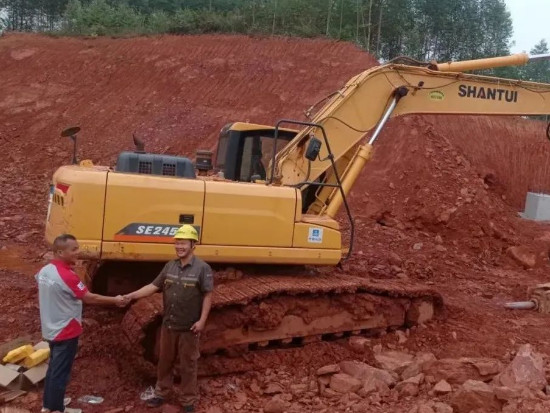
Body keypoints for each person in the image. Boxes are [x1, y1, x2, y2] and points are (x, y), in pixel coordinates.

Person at [124, 224, 213, 412]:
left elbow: (207, 295)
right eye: (177, 243)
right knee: (164, 361)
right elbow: (153, 286)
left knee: (188, 365)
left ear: (193, 245)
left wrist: (202, 320)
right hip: (169, 325)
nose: (179, 247)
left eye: (183, 243)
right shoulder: (170, 266)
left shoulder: (202, 268)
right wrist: (131, 295)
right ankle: (161, 393)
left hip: (189, 327)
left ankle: (188, 400)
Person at [36, 234, 128, 413]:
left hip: (50, 327)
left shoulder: (45, 271)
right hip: (66, 329)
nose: (79, 252)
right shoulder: (68, 276)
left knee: (53, 368)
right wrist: (115, 300)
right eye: (74, 249)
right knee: (60, 372)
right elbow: (89, 297)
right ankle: (56, 409)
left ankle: (49, 404)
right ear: (60, 252)